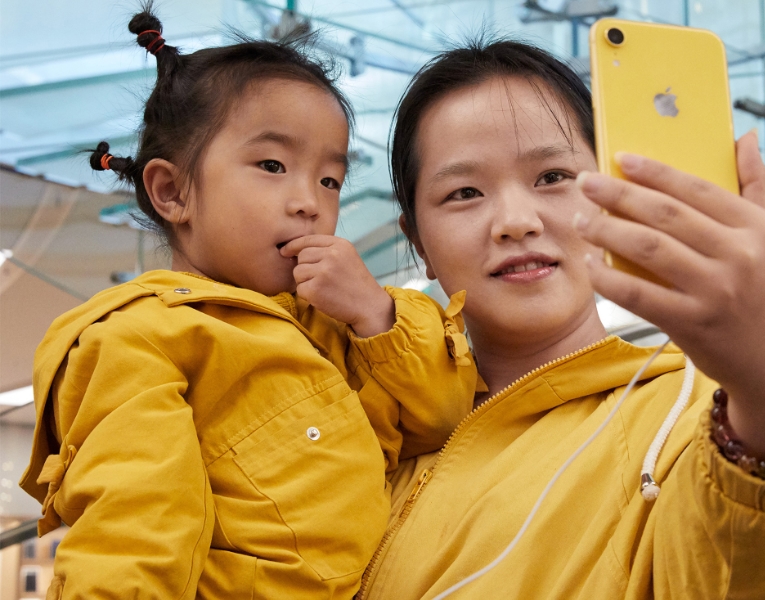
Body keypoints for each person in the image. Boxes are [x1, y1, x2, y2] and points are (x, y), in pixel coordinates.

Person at [356, 40, 765, 599]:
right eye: (464, 192)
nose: (514, 221)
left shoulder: (701, 419)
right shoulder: (367, 424)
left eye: (553, 176)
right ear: (420, 244)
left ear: (609, 195)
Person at [18, 7, 476, 599]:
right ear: (173, 191)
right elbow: (136, 522)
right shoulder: (139, 338)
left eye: (330, 180)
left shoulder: (335, 323)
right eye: (272, 165)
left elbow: (439, 420)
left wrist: (376, 318)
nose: (309, 202)